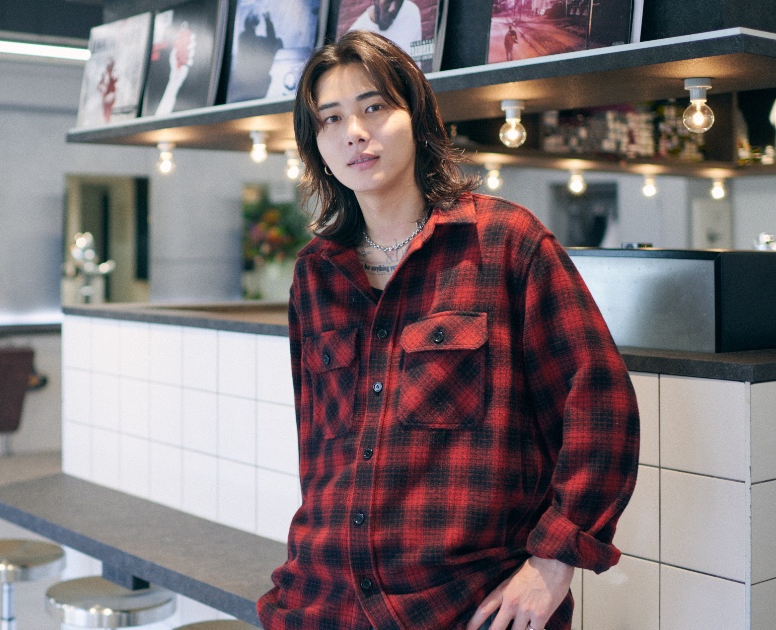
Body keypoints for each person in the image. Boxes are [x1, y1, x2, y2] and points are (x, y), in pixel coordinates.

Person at [255, 30, 639, 630]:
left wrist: (554, 561)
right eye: (331, 119)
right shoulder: (316, 272)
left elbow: (600, 402)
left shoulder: (506, 243)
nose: (354, 131)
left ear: (417, 116)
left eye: (374, 107)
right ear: (316, 145)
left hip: (466, 604)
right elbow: (320, 451)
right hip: (322, 598)